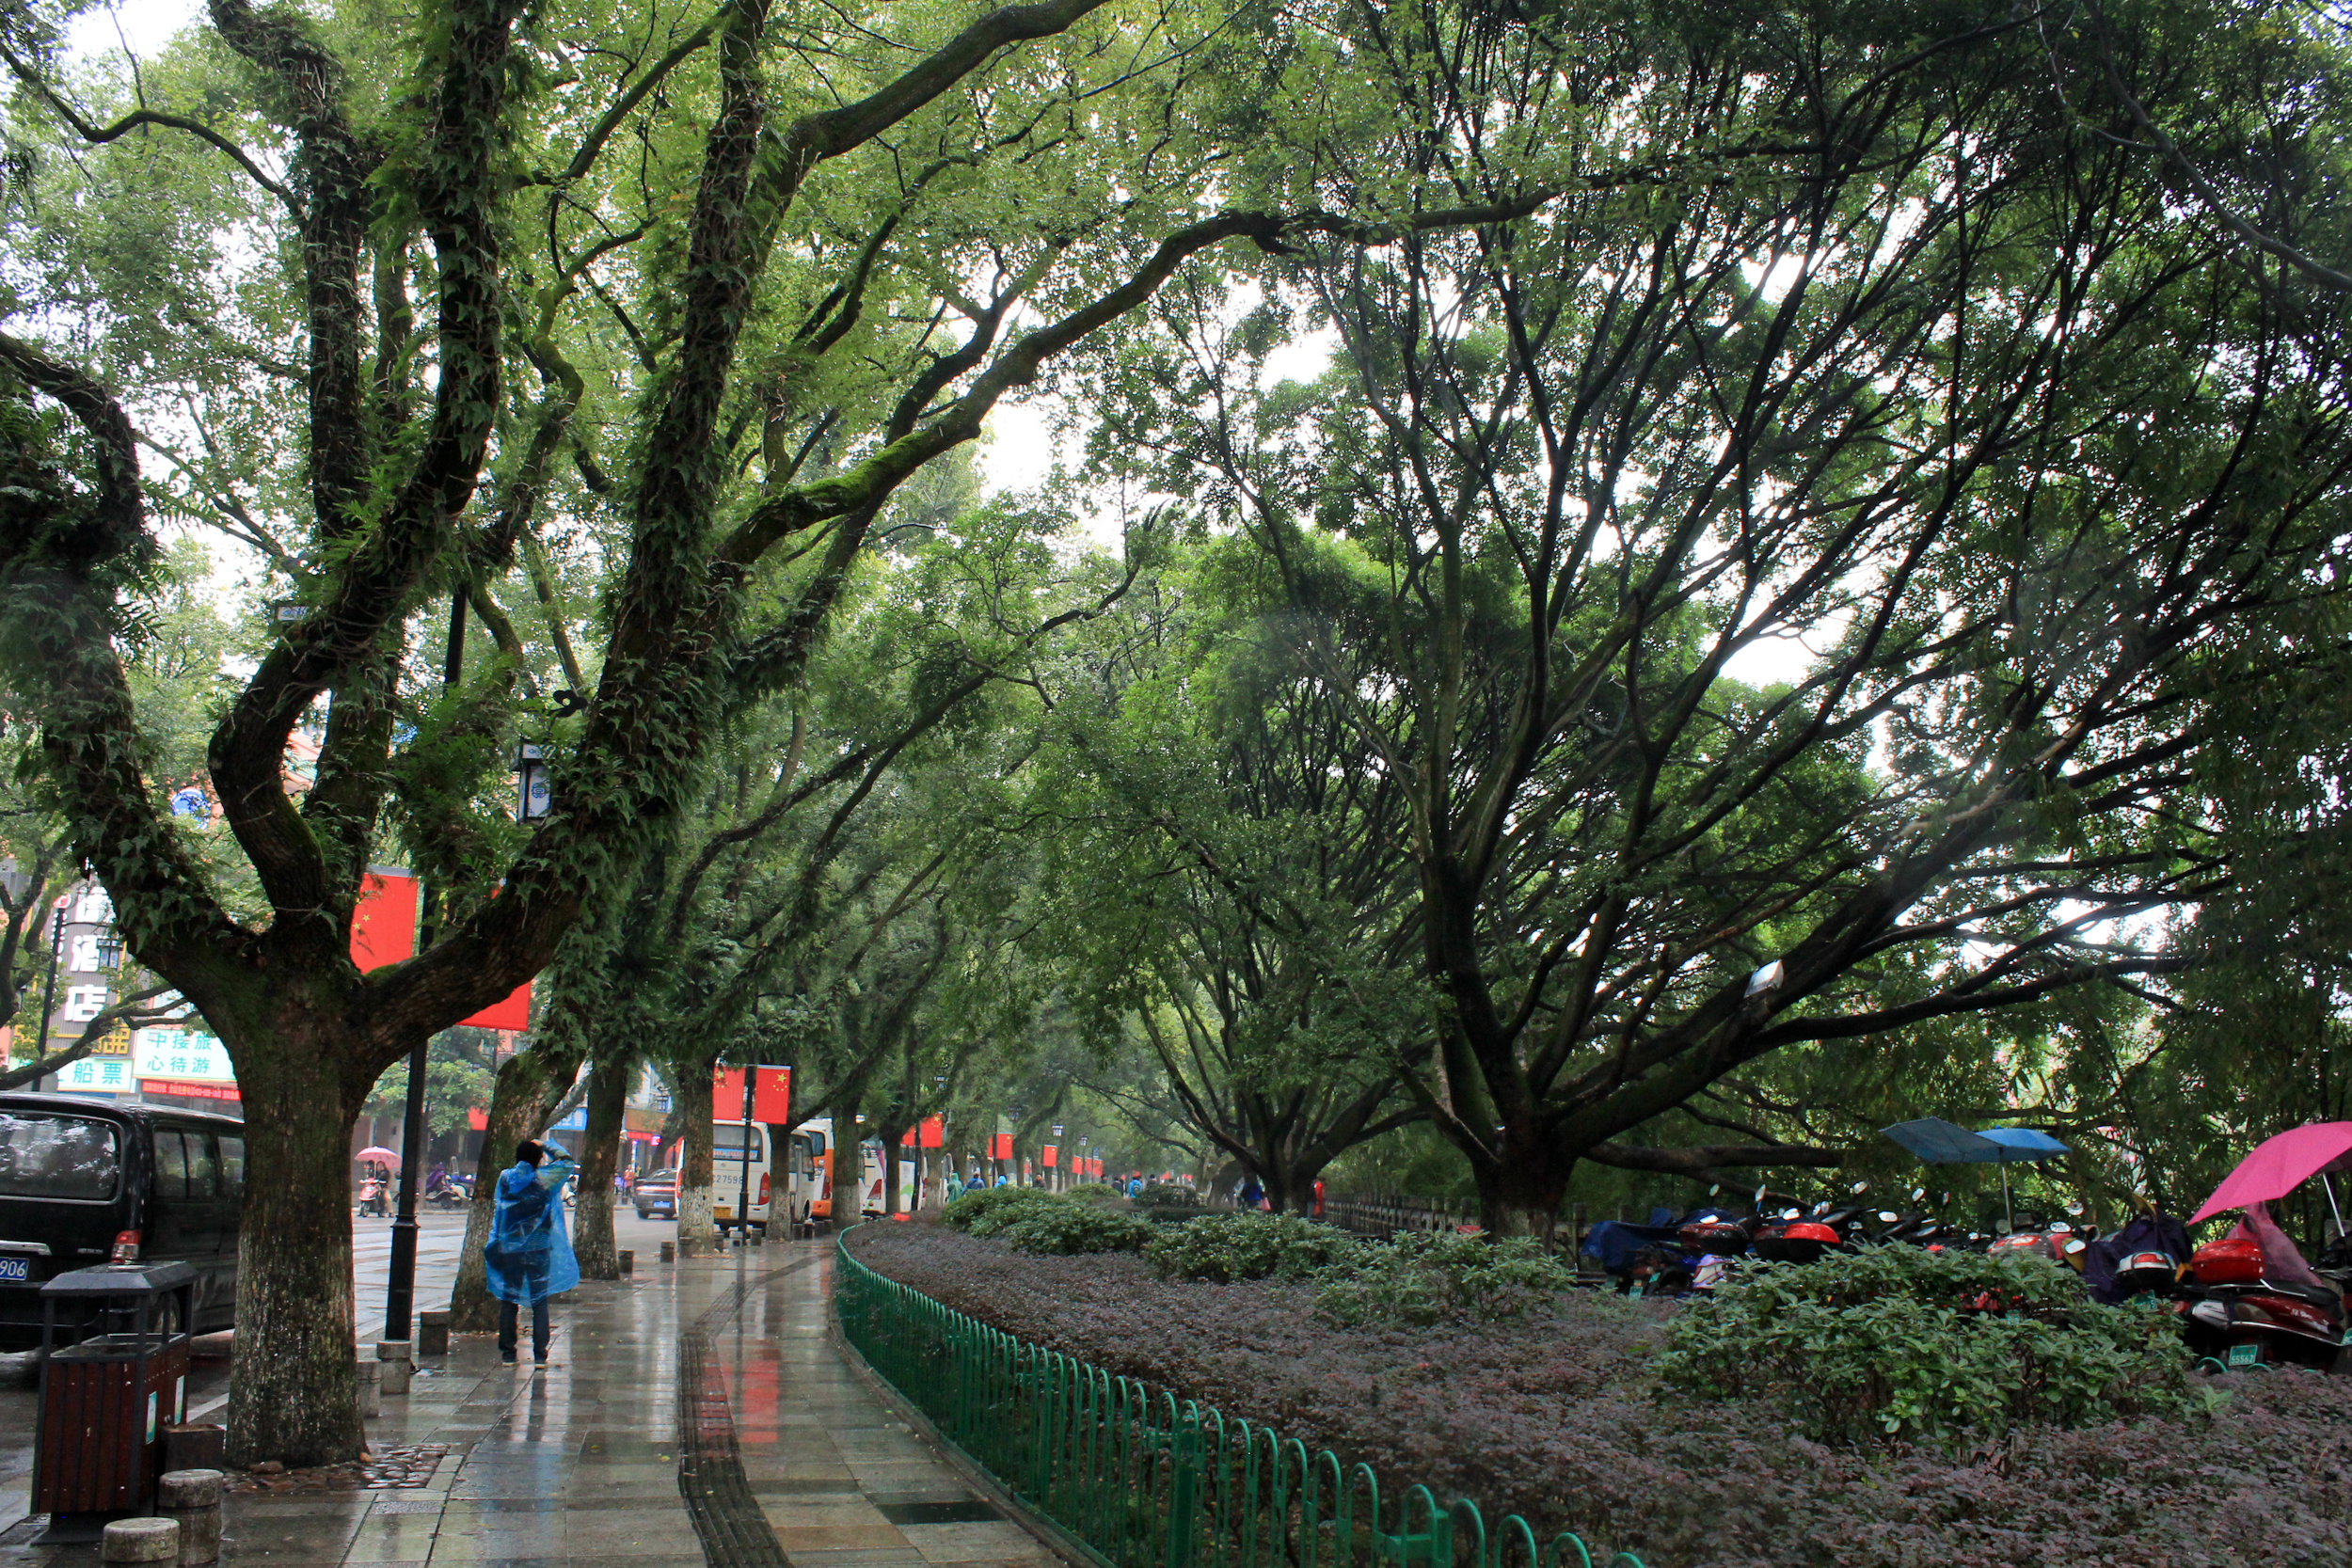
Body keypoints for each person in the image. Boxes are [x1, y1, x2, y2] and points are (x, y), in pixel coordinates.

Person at [484, 1139, 580, 1366]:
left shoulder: (506, 1178)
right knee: (539, 1301)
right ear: (538, 1158)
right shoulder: (544, 1179)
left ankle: (508, 1353)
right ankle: (539, 1355)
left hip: (510, 1249)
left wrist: (494, 1242)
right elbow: (567, 1162)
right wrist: (547, 1144)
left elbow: (499, 1211)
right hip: (538, 1249)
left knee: (509, 1299)